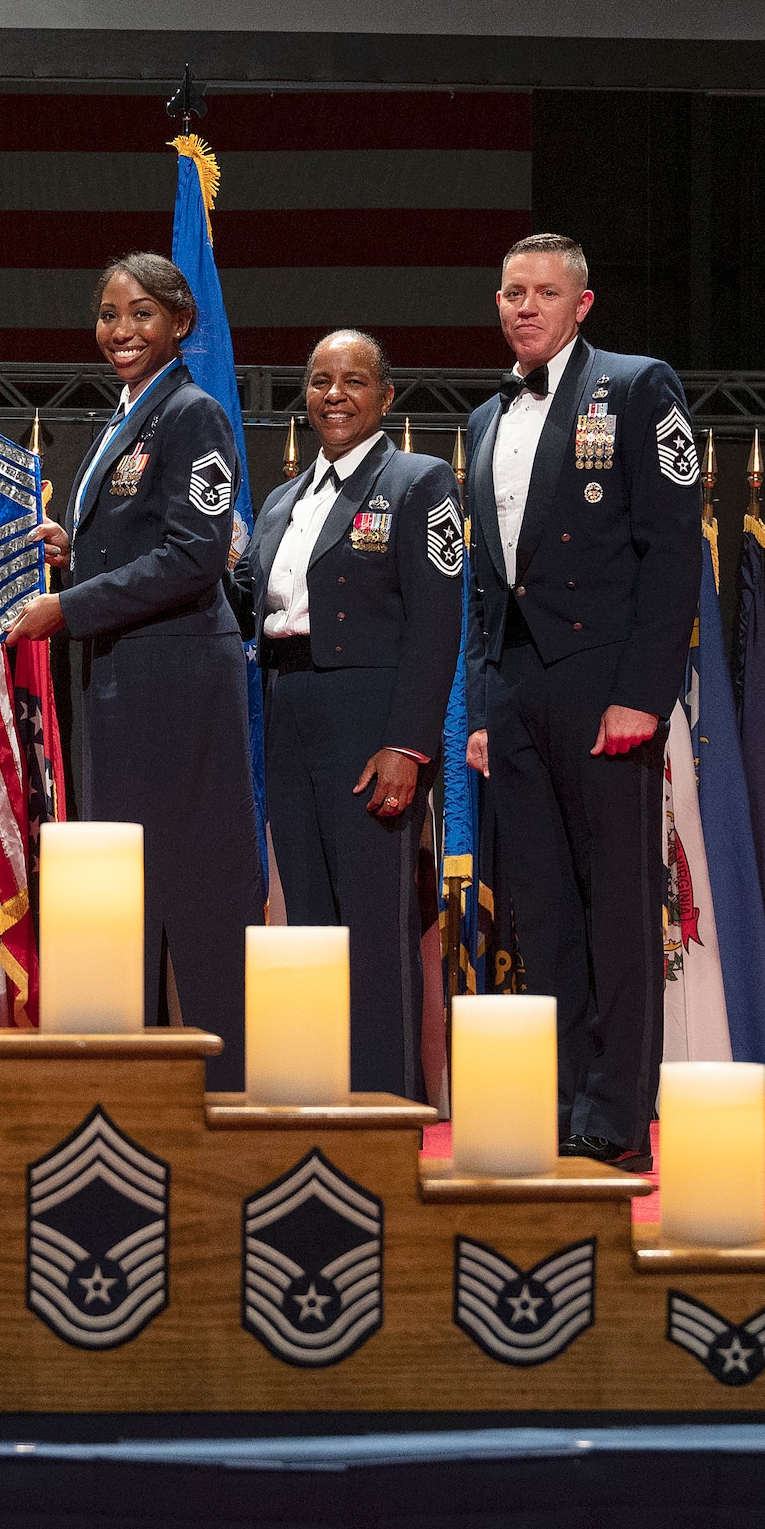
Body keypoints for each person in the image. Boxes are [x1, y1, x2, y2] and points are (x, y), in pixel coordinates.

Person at [462, 234, 700, 1171]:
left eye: (544, 292)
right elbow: (488, 583)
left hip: (606, 689)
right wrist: (482, 706)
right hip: (517, 693)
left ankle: (616, 1115)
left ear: (582, 305)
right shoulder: (484, 420)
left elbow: (674, 549)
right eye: (511, 291)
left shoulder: (640, 388)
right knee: (542, 911)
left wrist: (642, 693)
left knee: (617, 909)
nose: (524, 306)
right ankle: (559, 1100)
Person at [5, 252, 264, 1084]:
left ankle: (225, 1094)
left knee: (197, 890)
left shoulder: (193, 413)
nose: (121, 331)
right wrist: (73, 554)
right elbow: (145, 538)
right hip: (126, 680)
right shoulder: (128, 418)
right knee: (129, 894)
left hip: (181, 683)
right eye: (110, 314)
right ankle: (136, 1088)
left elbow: (194, 555)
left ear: (180, 324)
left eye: (142, 313)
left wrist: (69, 607)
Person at [231, 331, 464, 1099]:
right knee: (310, 921)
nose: (335, 393)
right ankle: (328, 1091)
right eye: (321, 380)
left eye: (354, 380)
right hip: (288, 709)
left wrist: (408, 743)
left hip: (370, 719)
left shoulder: (418, 481)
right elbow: (247, 601)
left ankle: (389, 1096)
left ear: (386, 397)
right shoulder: (279, 501)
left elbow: (438, 626)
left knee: (373, 916)